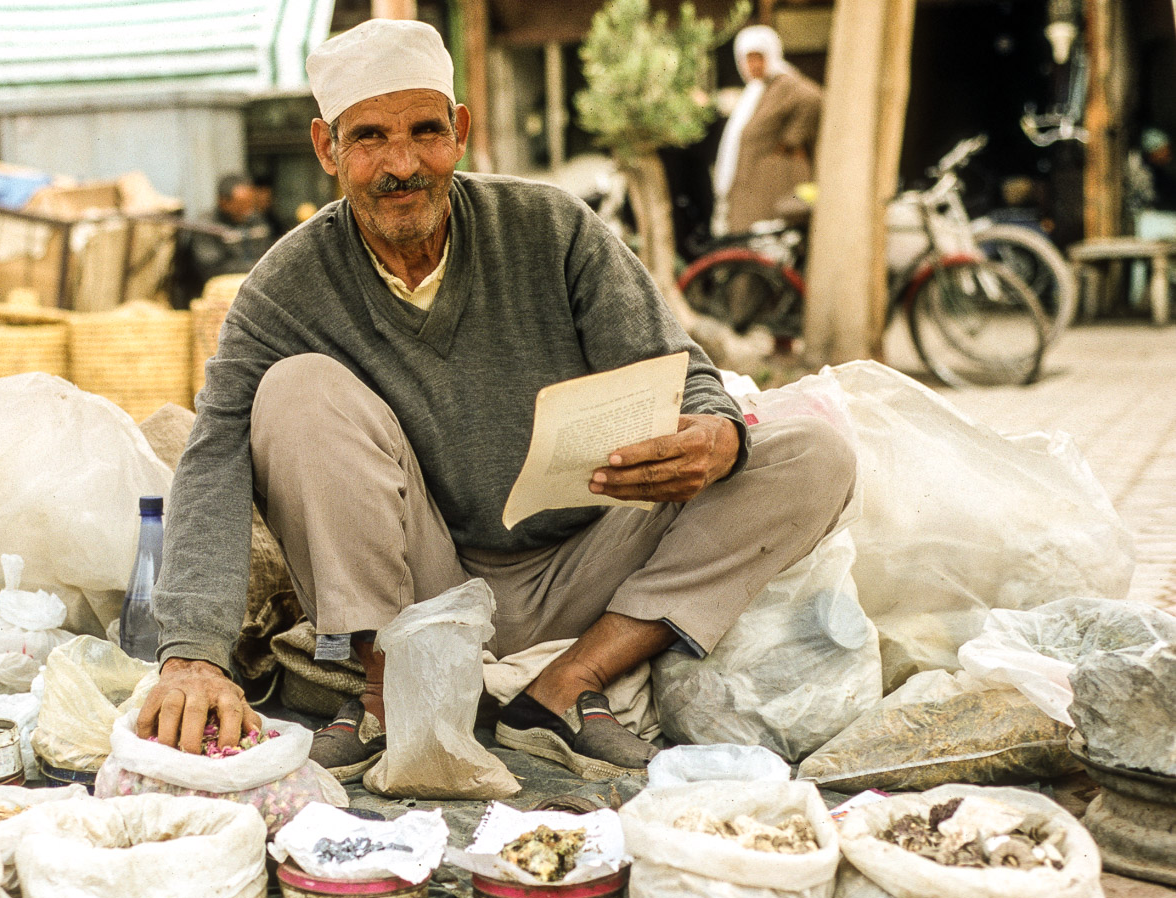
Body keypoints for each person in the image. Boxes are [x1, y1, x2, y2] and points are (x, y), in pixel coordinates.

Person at [137, 18, 855, 781]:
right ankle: (389, 692)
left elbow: (682, 372)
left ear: (461, 132)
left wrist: (715, 435)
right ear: (327, 150)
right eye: (371, 137)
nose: (402, 164)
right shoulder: (287, 284)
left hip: (591, 565)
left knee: (812, 452)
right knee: (295, 392)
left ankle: (568, 681)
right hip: (423, 587)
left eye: (425, 130)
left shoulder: (552, 229)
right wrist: (192, 655)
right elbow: (212, 453)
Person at [712, 25, 822, 237]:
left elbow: (813, 99)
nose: (753, 65)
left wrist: (790, 141)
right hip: (751, 186)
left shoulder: (784, 83)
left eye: (758, 58)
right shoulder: (755, 90)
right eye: (747, 59)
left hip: (773, 186)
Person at [186, 172, 279, 291]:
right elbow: (213, 268)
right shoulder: (206, 227)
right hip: (219, 292)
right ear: (223, 202)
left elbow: (268, 251)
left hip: (256, 287)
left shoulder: (257, 221)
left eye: (251, 203)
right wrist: (257, 266)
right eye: (241, 204)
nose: (248, 210)